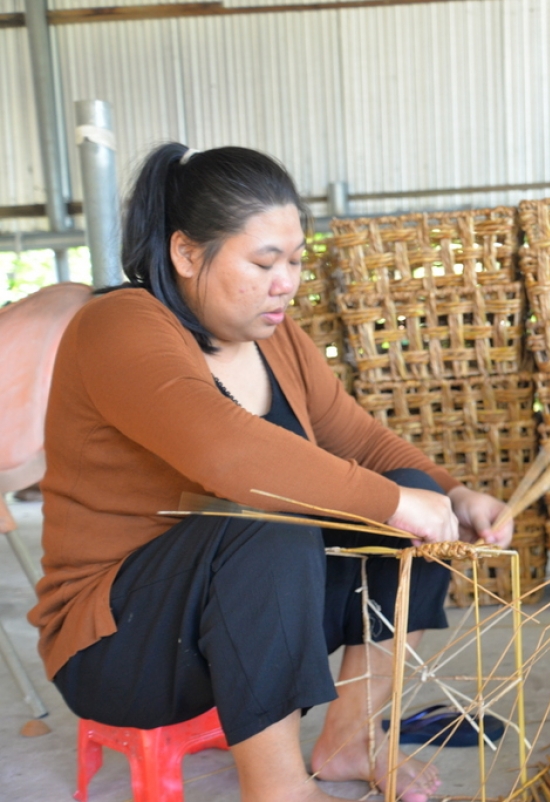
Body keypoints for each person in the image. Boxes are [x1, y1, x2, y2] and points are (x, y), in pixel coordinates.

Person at [28, 143, 513, 802]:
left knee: (418, 514)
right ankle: (280, 790)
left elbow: (360, 439)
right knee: (270, 522)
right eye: (264, 262)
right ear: (187, 254)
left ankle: (346, 740)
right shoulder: (118, 325)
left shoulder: (276, 339)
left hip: (244, 617)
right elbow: (225, 454)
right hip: (121, 641)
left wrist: (450, 494)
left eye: (294, 261)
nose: (287, 282)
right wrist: (390, 501)